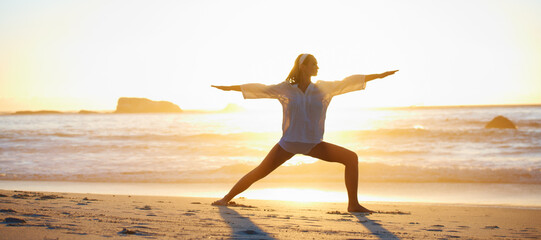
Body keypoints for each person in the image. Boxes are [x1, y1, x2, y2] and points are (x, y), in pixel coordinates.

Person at [211, 53, 398, 212]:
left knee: (351, 158)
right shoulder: (285, 89)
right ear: (303, 67)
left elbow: (348, 81)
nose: (318, 67)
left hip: (313, 143)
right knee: (260, 172)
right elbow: (260, 89)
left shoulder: (323, 88)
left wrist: (379, 75)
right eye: (314, 64)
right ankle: (225, 199)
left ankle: (353, 204)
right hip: (288, 143)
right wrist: (230, 88)